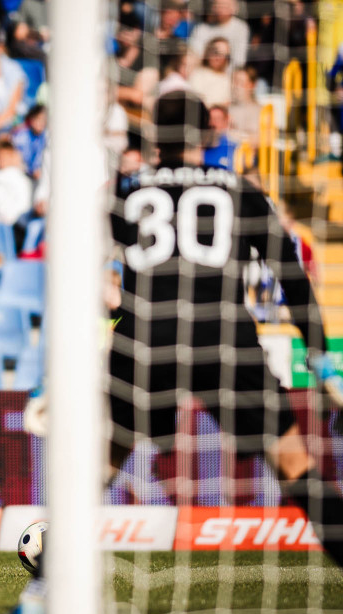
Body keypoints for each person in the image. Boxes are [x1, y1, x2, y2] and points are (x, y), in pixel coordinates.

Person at [108, 91, 343, 573]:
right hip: (223, 341)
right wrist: (319, 357)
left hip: (145, 342)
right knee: (296, 468)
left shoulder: (126, 192)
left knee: (99, 467)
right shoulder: (241, 191)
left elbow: (88, 271)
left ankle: (41, 590)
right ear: (208, 134)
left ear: (156, 136)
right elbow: (291, 277)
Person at [188, 0, 248, 69]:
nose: (220, 9)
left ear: (234, 8)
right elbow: (194, 54)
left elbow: (239, 60)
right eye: (217, 5)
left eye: (224, 5)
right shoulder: (201, 29)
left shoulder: (241, 28)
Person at [188, 37, 232, 108]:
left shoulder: (227, 79)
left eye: (223, 54)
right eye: (216, 52)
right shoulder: (196, 74)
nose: (218, 58)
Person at [10, 103, 47, 180]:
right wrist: (32, 170)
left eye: (44, 119)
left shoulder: (46, 136)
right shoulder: (21, 136)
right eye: (38, 119)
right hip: (23, 174)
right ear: (31, 119)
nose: (41, 122)